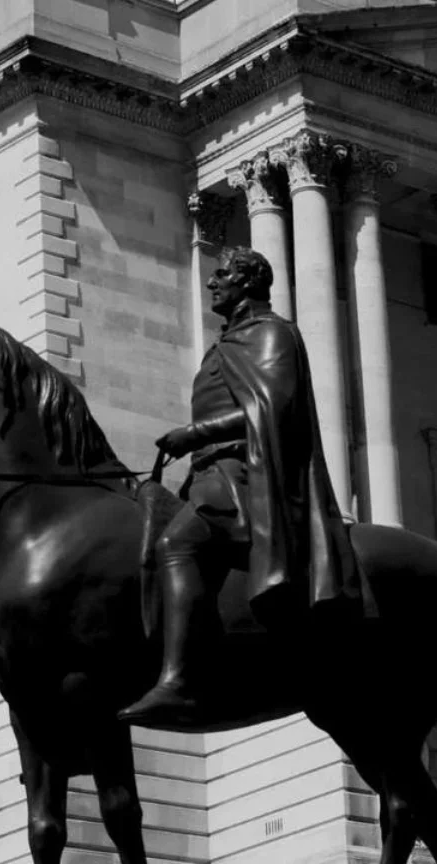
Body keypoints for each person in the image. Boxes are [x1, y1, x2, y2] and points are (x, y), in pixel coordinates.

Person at [118, 247, 364, 724]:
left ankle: (179, 681)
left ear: (249, 282)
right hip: (210, 475)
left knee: (177, 544)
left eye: (224, 274)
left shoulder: (272, 334)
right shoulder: (228, 343)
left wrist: (195, 433)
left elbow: (273, 409)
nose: (213, 282)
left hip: (246, 476)